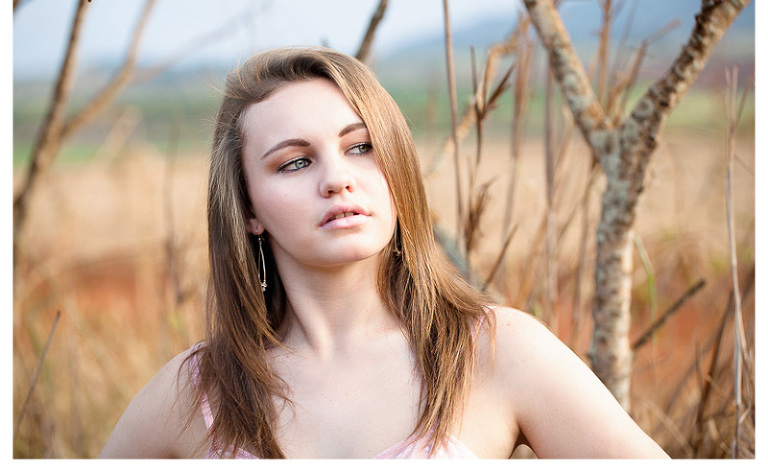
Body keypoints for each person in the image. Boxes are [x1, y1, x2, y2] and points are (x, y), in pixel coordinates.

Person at [99, 46, 669, 459]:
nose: (337, 179)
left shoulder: (496, 350)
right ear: (247, 209)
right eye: (295, 161)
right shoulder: (197, 390)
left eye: (362, 146)